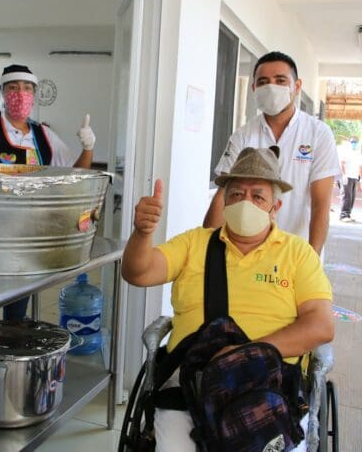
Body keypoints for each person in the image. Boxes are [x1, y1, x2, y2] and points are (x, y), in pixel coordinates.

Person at [123, 146, 334, 451]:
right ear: (224, 200)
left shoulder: (298, 253)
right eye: (236, 194)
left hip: (270, 387)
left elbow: (321, 326)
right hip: (192, 384)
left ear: (275, 207)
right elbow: (138, 273)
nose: (245, 202)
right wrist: (142, 233)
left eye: (257, 196)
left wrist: (244, 354)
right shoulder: (194, 243)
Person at [0, 64, 96, 328]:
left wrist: (88, 147)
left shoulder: (44, 135)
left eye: (26, 88)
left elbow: (75, 175)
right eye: (13, 88)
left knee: (17, 311)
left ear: (34, 95)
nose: (20, 94)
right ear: (2, 92)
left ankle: (11, 350)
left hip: (27, 238)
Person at [203, 51, 340, 255]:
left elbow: (320, 205)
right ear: (254, 88)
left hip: (295, 252)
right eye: (263, 82)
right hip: (246, 251)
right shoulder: (243, 135)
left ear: (297, 86)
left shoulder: (318, 133)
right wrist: (206, 251)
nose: (271, 87)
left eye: (280, 80)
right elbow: (223, 195)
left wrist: (312, 259)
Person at [339, 137, 362, 222]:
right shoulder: (346, 152)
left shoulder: (358, 153)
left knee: (352, 197)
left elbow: (360, 166)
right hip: (347, 176)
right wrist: (344, 175)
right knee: (346, 196)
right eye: (352, 141)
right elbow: (342, 163)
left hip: (354, 176)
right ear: (349, 142)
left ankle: (348, 214)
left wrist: (360, 177)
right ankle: (343, 215)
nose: (354, 143)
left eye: (355, 142)